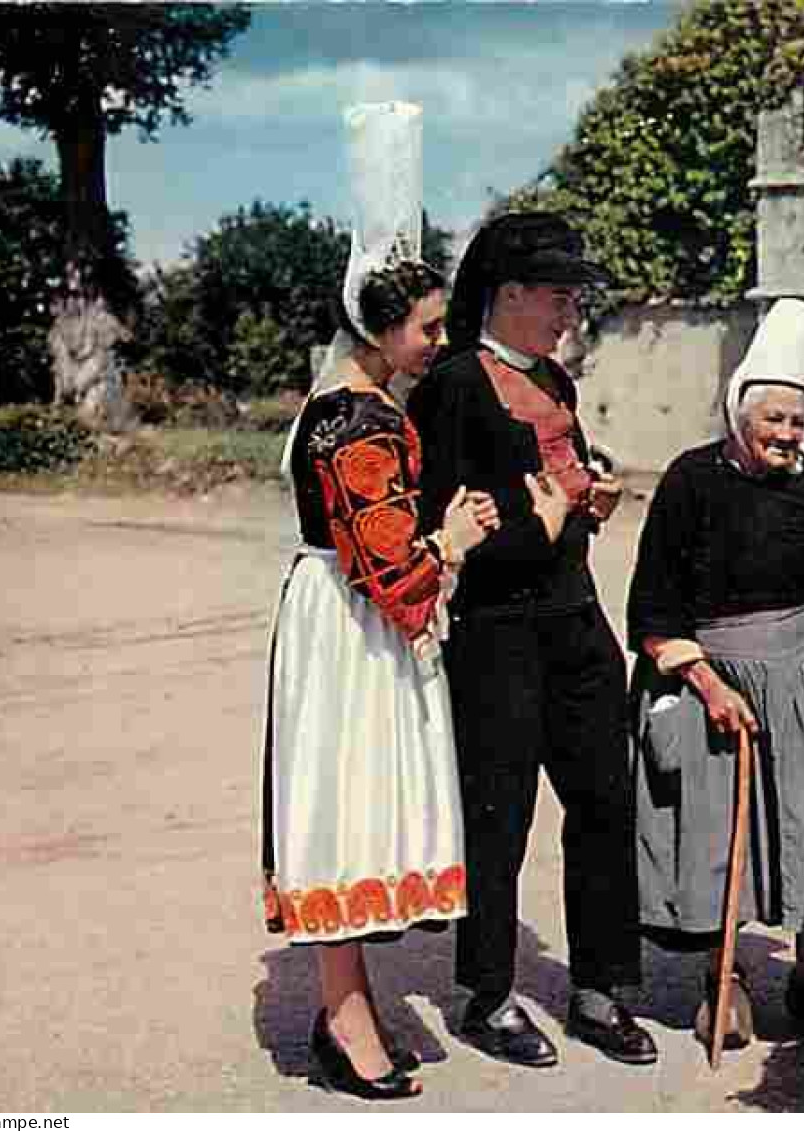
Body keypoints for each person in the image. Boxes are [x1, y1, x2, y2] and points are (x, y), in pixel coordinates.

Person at [261, 102, 500, 1101]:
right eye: (428, 327)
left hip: (345, 616)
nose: (437, 344)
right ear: (377, 328)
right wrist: (452, 538)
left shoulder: (365, 407)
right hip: (350, 627)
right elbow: (392, 572)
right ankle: (343, 1012)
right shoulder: (351, 419)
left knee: (354, 805)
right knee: (344, 807)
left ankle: (345, 1003)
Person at [405, 211, 655, 1069]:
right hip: (498, 630)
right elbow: (444, 520)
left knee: (602, 802)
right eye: (556, 295)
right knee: (499, 813)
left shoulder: (555, 381)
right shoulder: (452, 385)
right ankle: (486, 992)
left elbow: (555, 490)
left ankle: (598, 986)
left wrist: (587, 506)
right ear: (508, 294)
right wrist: (538, 521)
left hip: (575, 619)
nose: (568, 312)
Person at [627, 298, 804, 1051]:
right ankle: (724, 978)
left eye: (796, 422)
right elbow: (653, 604)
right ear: (741, 413)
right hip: (717, 675)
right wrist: (706, 683)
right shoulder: (689, 480)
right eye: (773, 419)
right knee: (719, 834)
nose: (786, 435)